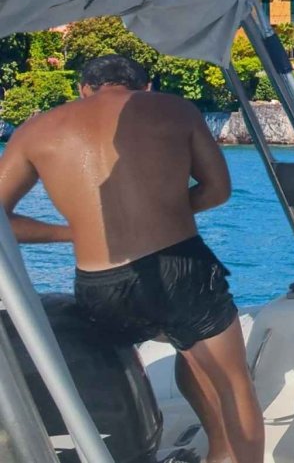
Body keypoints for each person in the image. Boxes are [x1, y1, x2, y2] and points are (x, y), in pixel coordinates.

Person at [0, 54, 263, 463]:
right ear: (146, 87)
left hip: (99, 286)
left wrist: (75, 232)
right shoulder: (174, 109)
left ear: (83, 90)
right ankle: (229, 453)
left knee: (185, 344)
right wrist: (164, 212)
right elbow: (217, 190)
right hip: (179, 269)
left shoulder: (36, 130)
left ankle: (219, 449)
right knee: (232, 380)